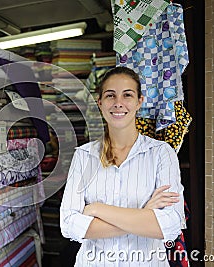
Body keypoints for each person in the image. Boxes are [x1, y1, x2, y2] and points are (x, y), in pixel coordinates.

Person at [60, 66, 186, 266]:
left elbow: (169, 226)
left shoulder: (161, 153)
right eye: (110, 95)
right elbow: (69, 225)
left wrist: (96, 209)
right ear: (100, 103)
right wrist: (145, 214)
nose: (118, 103)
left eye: (127, 95)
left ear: (139, 102)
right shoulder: (84, 156)